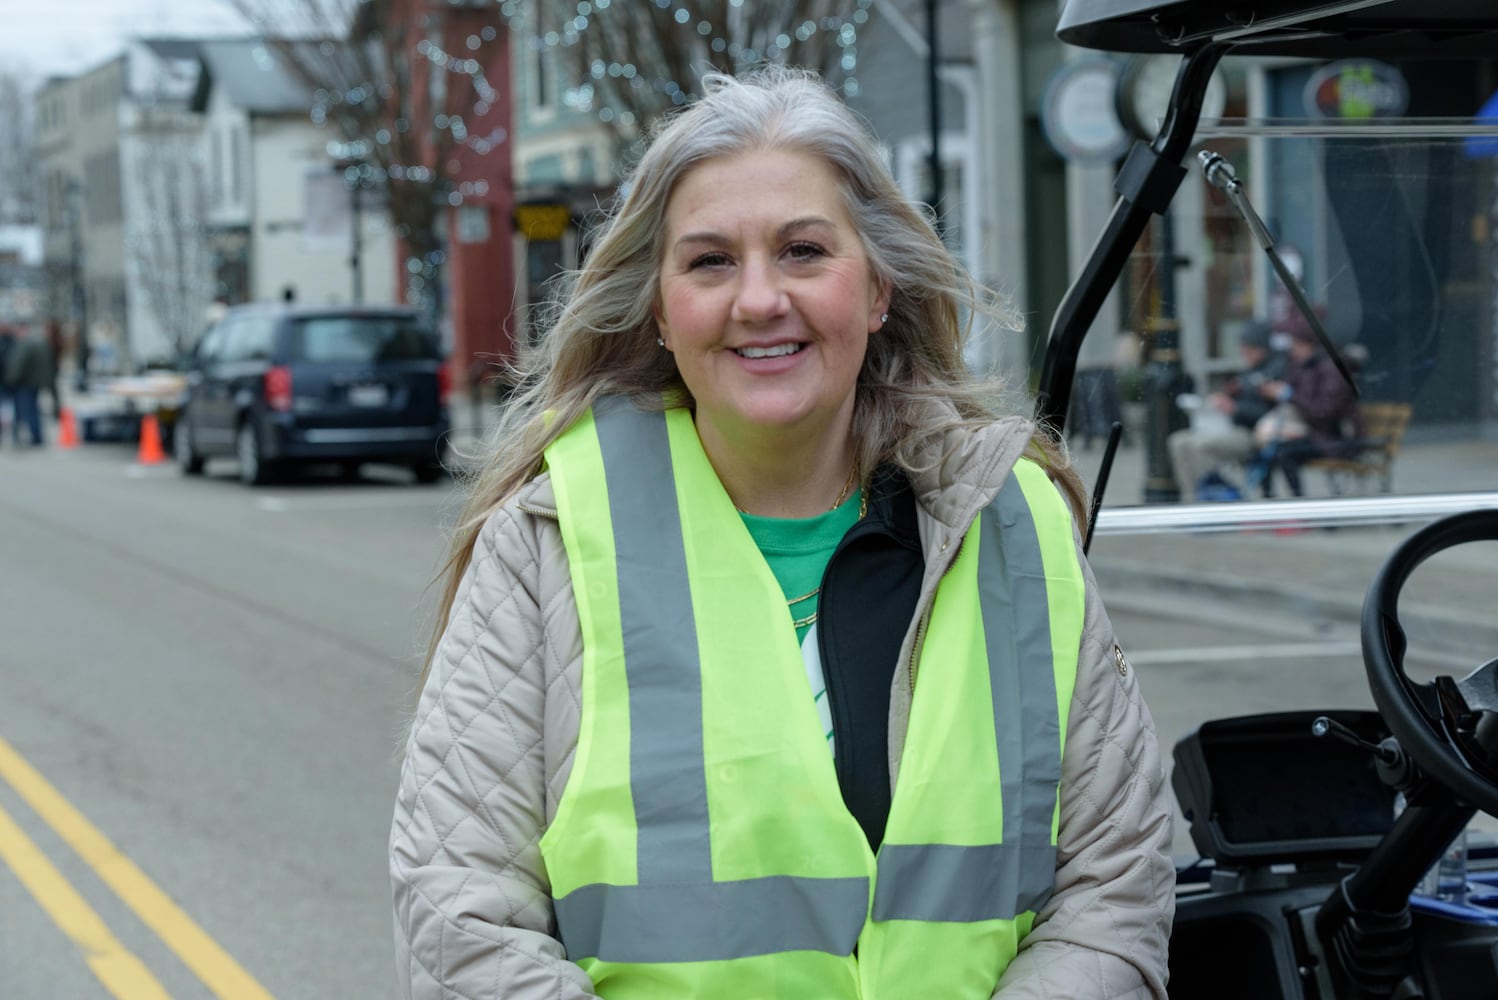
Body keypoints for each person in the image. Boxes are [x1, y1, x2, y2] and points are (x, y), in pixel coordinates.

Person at [389, 68, 1173, 1000]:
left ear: (877, 289)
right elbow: (460, 911)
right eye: (710, 261)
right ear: (660, 309)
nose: (760, 298)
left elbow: (1113, 889)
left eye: (803, 251)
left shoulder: (1016, 524)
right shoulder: (549, 539)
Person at [1167, 320, 1284, 500]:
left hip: (1251, 433)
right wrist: (1223, 400)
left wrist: (1234, 407)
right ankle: (1192, 499)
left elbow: (1270, 413)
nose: (1243, 351)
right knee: (1178, 441)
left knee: (1201, 446)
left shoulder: (1276, 370)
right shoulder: (1248, 370)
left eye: (1248, 347)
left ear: (1261, 348)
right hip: (1226, 426)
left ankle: (1211, 497)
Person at [1252, 318, 1361, 498]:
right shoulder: (1301, 366)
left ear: (1307, 344)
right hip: (1311, 431)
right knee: (1263, 451)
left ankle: (1298, 504)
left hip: (1332, 436)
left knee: (1283, 453)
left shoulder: (1331, 368)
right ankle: (1269, 505)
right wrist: (1272, 394)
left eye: (1295, 345)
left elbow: (1324, 412)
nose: (1291, 351)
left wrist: (1290, 394)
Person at [5, 324, 54, 447]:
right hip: (34, 383)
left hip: (24, 383)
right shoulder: (39, 343)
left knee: (27, 411)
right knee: (33, 410)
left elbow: (19, 365)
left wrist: (11, 379)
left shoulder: (24, 346)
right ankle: (36, 436)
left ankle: (31, 437)